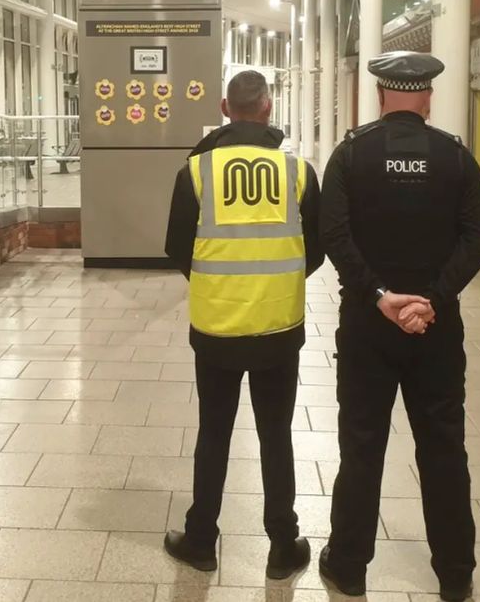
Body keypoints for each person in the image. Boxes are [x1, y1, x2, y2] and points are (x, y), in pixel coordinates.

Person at [318, 51, 480, 601]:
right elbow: (478, 240)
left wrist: (378, 296)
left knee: (362, 444)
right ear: (426, 98)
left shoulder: (349, 156)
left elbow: (334, 237)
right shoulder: (457, 159)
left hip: (368, 327)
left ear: (379, 95)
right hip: (436, 330)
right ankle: (455, 572)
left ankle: (348, 564)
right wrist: (431, 300)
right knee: (443, 447)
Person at [162, 70, 325, 580]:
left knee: (214, 431)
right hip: (278, 326)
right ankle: (282, 545)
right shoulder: (298, 172)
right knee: (276, 432)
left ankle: (201, 541)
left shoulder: (196, 171)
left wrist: (215, 281)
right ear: (268, 108)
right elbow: (315, 251)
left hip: (216, 327)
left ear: (225, 108)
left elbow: (176, 247)